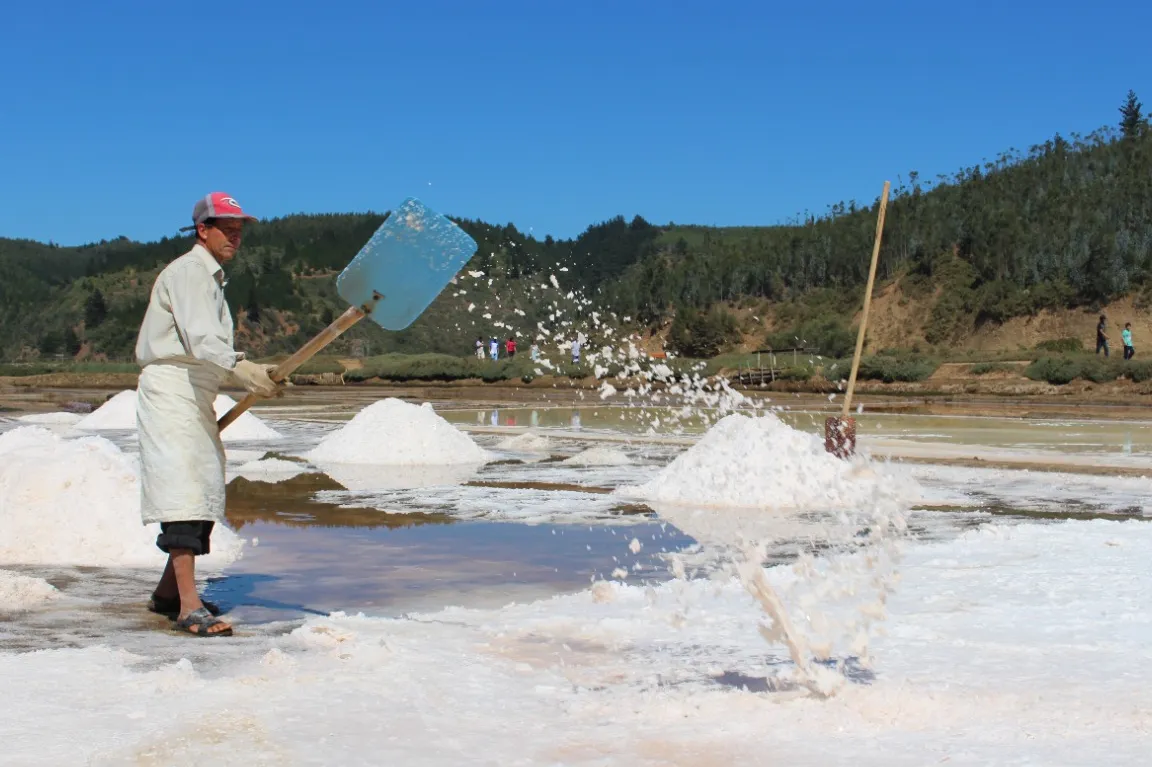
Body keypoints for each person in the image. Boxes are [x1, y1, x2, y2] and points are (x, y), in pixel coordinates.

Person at [135, 192, 282, 638]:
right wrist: (241, 368)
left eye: (239, 230)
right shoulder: (189, 273)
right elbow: (202, 338)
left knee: (198, 487)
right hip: (172, 388)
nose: (235, 237)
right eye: (226, 228)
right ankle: (188, 608)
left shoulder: (210, 278)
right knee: (182, 490)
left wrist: (248, 368)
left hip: (195, 390)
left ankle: (168, 595)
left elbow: (208, 344)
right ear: (203, 230)